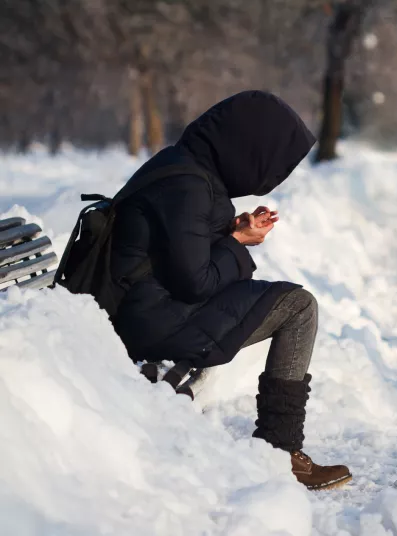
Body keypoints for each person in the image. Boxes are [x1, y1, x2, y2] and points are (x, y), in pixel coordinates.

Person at [110, 90, 351, 490]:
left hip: (154, 307)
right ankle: (280, 450)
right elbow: (195, 281)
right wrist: (237, 242)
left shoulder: (189, 170)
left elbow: (182, 251)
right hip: (155, 322)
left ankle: (278, 446)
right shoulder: (187, 184)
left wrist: (231, 231)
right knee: (298, 306)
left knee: (289, 302)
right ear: (246, 144)